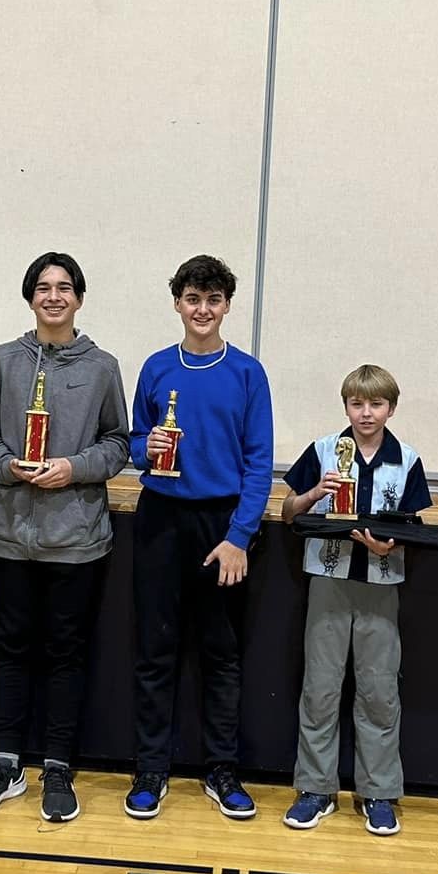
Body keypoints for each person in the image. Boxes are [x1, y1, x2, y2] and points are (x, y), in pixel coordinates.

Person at [0, 253, 131, 824]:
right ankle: (5, 764)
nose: (53, 296)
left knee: (66, 654)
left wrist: (72, 468)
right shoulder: (3, 361)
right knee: (11, 650)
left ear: (78, 298)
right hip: (11, 535)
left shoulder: (102, 366)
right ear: (30, 297)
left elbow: (117, 443)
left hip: (77, 539)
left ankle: (58, 767)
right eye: (42, 287)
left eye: (63, 287)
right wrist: (7, 467)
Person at [125, 254, 274, 821]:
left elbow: (258, 463)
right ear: (177, 304)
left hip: (222, 527)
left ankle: (221, 769)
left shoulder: (248, 373)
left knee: (221, 654)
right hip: (161, 519)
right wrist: (147, 448)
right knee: (154, 651)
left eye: (213, 300)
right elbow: (135, 442)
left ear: (227, 306)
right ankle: (151, 769)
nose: (203, 309)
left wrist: (239, 536)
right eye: (193, 299)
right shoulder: (157, 367)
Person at [278, 364, 433, 836]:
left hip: (381, 584)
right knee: (320, 688)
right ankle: (315, 789)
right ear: (345, 406)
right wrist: (314, 493)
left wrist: (391, 545)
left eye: (376, 404)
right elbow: (287, 513)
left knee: (379, 691)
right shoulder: (324, 450)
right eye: (357, 403)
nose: (366, 413)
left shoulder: (406, 459)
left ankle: (379, 792)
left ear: (391, 408)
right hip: (328, 579)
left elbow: (413, 529)